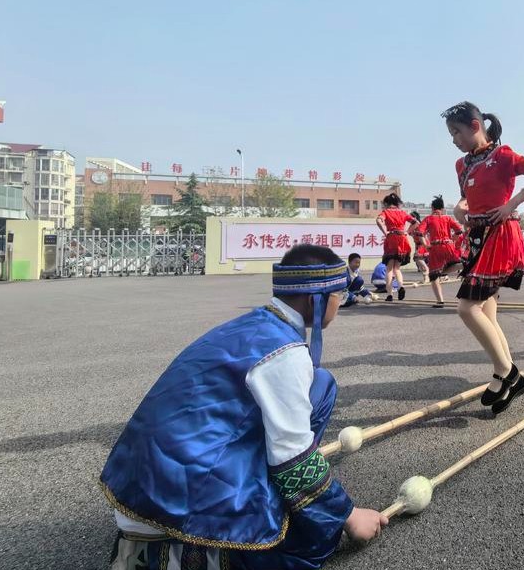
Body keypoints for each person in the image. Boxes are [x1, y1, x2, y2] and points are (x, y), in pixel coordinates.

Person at [100, 245, 386, 570]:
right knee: (312, 540)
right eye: (339, 295)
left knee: (321, 385)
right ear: (314, 300)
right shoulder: (286, 353)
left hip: (142, 485)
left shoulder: (250, 324)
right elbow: (292, 460)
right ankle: (183, 554)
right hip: (172, 504)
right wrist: (347, 514)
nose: (341, 303)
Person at [443, 101, 524, 414]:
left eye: (457, 132)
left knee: (467, 308)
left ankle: (509, 373)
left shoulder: (503, 155)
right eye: (451, 134)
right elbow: (466, 198)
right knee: (486, 313)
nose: (454, 140)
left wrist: (511, 204)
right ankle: (504, 372)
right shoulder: (462, 165)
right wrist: (459, 209)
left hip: (500, 235)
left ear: (475, 126)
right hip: (477, 238)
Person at [416, 195, 464, 307]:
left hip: (436, 247)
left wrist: (426, 245)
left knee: (434, 275)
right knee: (451, 265)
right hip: (449, 246)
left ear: (432, 208)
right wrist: (453, 239)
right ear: (442, 208)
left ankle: (440, 301)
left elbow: (420, 233)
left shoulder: (428, 219)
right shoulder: (448, 218)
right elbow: (459, 230)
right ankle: (464, 265)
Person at [376, 193, 412, 301]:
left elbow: (378, 220)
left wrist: (385, 232)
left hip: (391, 239)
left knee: (389, 269)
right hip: (402, 239)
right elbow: (416, 222)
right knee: (397, 268)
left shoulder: (386, 212)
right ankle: (401, 286)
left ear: (387, 203)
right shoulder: (403, 212)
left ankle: (390, 294)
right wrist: (407, 232)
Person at [409, 211, 430, 279]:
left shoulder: (418, 224)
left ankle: (427, 271)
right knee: (419, 259)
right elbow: (410, 233)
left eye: (411, 217)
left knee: (417, 258)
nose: (409, 218)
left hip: (422, 243)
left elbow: (424, 234)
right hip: (418, 244)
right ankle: (426, 275)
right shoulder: (412, 225)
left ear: (415, 217)